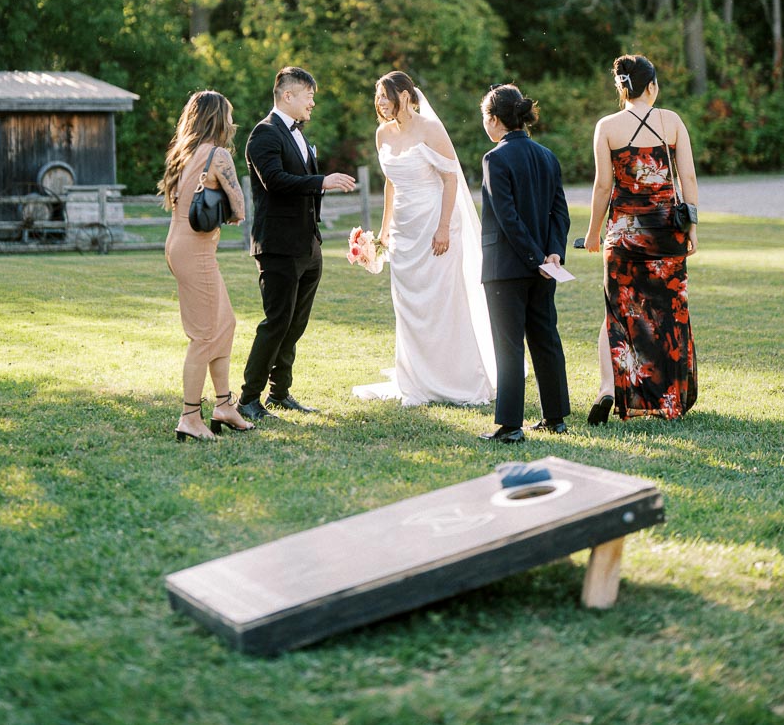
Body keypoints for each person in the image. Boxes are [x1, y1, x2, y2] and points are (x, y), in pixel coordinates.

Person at [352, 72, 495, 407]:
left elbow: (450, 180)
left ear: (405, 95)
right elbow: (390, 183)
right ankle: (416, 380)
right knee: (409, 306)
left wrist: (443, 227)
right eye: (378, 97)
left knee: (443, 302)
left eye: (386, 96)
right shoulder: (381, 133)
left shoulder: (431, 129)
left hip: (435, 222)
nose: (381, 103)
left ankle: (456, 379)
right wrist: (385, 230)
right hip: (404, 230)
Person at [584, 54, 698, 422]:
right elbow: (689, 181)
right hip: (667, 232)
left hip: (624, 235)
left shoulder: (607, 126)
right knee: (669, 313)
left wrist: (592, 234)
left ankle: (608, 389)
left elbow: (603, 186)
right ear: (652, 87)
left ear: (622, 88)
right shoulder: (672, 121)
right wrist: (692, 228)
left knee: (618, 312)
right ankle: (669, 401)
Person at [238, 66, 356, 422]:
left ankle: (280, 392)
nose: (313, 103)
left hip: (307, 244)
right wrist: (323, 181)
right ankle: (248, 398)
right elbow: (274, 181)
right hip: (278, 244)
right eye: (309, 96)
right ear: (287, 95)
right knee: (276, 321)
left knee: (296, 323)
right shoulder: (264, 133)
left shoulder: (298, 134)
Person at [479, 83, 571, 444]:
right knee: (546, 337)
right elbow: (559, 213)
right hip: (544, 266)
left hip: (507, 267)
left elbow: (507, 217)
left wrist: (535, 258)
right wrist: (552, 254)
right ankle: (555, 416)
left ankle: (510, 425)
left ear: (496, 119)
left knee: (509, 345)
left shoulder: (495, 158)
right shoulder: (548, 156)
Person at [160, 89, 253, 442]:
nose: (231, 122)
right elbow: (240, 210)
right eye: (227, 115)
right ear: (217, 119)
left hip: (178, 245)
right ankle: (189, 417)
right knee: (203, 335)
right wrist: (230, 210)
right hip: (196, 252)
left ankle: (225, 405)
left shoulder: (183, 154)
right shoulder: (219, 155)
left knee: (224, 322)